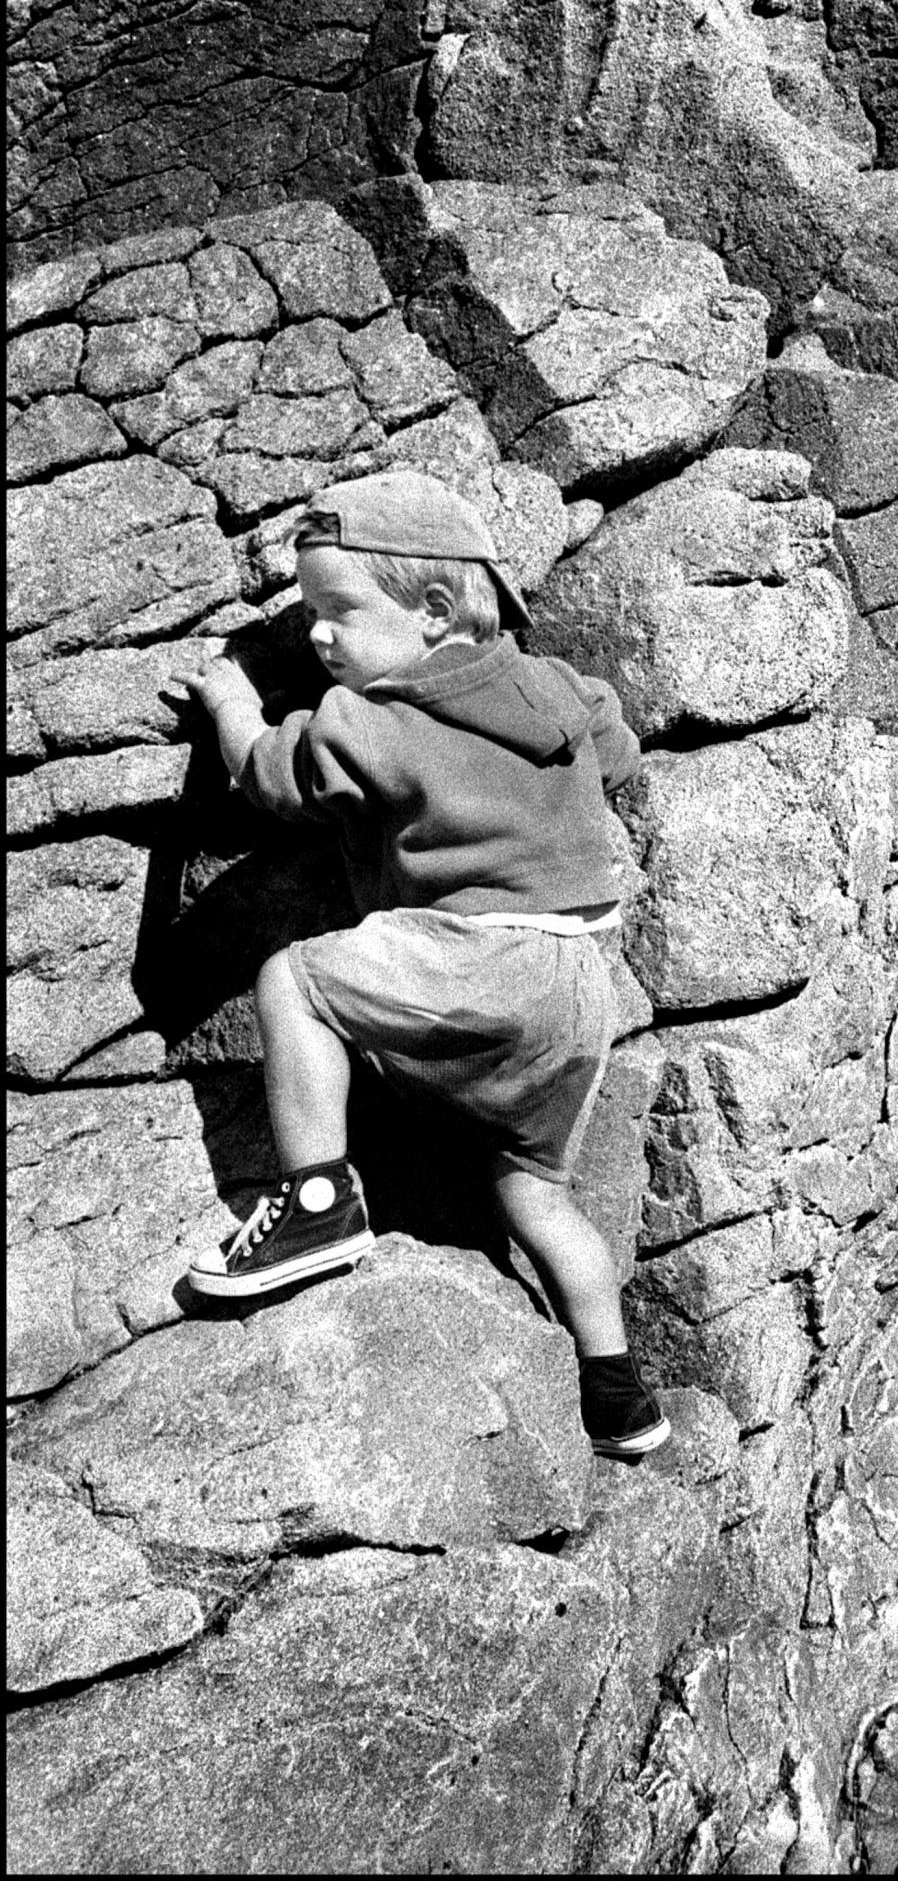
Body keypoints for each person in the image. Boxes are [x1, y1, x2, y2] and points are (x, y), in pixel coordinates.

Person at [171, 466, 670, 1463]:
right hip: (578, 983)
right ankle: (619, 1392)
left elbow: (279, 776)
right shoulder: (562, 689)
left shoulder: (375, 718)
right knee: (534, 1188)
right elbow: (617, 748)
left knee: (295, 978)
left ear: (433, 608)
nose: (318, 636)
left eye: (337, 612)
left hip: (475, 954)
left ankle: (317, 1202)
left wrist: (233, 701)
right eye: (312, 615)